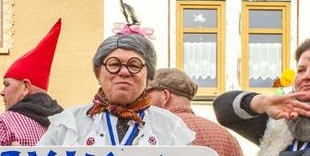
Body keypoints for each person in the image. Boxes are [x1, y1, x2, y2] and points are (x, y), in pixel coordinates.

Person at [38, 31, 195, 147]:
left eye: (134, 65)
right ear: (99, 73)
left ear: (148, 78)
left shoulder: (172, 128)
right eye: (114, 64)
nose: (124, 72)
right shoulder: (68, 123)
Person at [0, 19, 64, 146]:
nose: (2, 92)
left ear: (26, 87)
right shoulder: (64, 125)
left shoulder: (3, 125)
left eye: (7, 85)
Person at [147, 68, 248, 156]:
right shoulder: (226, 136)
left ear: (165, 96)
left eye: (147, 96)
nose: (143, 102)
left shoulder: (154, 130)